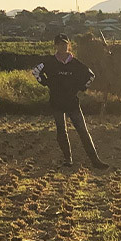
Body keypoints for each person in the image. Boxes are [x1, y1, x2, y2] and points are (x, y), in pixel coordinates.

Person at [31, 33, 110, 169]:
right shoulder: (50, 62)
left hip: (72, 102)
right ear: (55, 46)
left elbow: (91, 75)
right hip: (56, 102)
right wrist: (46, 82)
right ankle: (68, 160)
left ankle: (95, 160)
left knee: (83, 131)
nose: (63, 46)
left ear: (68, 45)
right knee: (61, 131)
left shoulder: (75, 63)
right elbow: (35, 72)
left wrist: (81, 87)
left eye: (65, 44)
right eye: (60, 44)